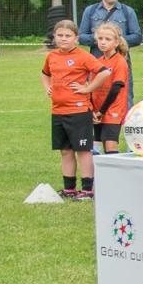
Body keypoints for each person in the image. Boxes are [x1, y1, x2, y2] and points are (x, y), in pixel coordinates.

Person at [41, 21, 109, 200]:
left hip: (78, 111)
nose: (63, 39)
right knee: (65, 150)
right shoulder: (52, 56)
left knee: (83, 150)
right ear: (55, 37)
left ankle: (87, 189)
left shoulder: (82, 56)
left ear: (76, 38)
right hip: (58, 110)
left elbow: (103, 72)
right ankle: (69, 188)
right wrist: (47, 87)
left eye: (67, 36)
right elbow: (45, 73)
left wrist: (87, 88)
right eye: (60, 35)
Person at [90, 23, 131, 153]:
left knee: (110, 145)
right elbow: (91, 87)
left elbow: (115, 89)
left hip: (113, 109)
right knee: (96, 145)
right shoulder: (98, 61)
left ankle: (116, 173)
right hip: (97, 110)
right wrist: (92, 109)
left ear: (116, 42)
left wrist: (101, 111)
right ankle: (96, 174)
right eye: (100, 39)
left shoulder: (119, 61)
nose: (103, 42)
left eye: (108, 39)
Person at [79, 0, 143, 56]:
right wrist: (99, 38)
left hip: (121, 60)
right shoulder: (90, 10)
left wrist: (116, 40)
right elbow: (81, 37)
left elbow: (137, 37)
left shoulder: (128, 11)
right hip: (97, 62)